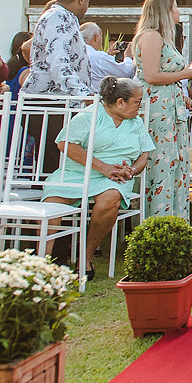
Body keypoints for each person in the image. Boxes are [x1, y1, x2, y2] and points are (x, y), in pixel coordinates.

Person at [42, 77, 152, 280]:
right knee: (52, 203)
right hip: (78, 174)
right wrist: (103, 168)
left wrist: (132, 171)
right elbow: (65, 144)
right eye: (137, 101)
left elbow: (145, 154)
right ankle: (42, 264)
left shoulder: (135, 122)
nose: (140, 106)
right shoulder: (90, 115)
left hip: (115, 179)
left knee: (110, 198)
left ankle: (85, 257)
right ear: (120, 102)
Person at [132, 0, 192, 218]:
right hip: (158, 109)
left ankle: (174, 217)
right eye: (175, 8)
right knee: (161, 161)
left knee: (173, 161)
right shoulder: (151, 37)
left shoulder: (162, 38)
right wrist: (184, 74)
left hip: (170, 107)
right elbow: (151, 75)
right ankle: (159, 217)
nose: (178, 12)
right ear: (165, 12)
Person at [22, 0, 94, 172]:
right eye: (87, 2)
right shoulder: (58, 17)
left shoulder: (61, 17)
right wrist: (83, 94)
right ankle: (49, 196)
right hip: (49, 101)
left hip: (56, 100)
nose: (87, 7)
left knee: (55, 159)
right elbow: (58, 59)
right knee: (53, 160)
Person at [80, 22, 135, 90]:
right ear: (96, 37)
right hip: (96, 98)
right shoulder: (98, 57)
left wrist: (107, 55)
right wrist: (128, 57)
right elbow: (127, 72)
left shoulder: (76, 53)